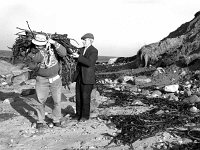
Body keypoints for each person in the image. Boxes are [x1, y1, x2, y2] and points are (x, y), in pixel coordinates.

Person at [28, 34, 67, 129]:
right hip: (41, 79)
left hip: (55, 79)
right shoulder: (32, 52)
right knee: (40, 101)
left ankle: (56, 119)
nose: (38, 46)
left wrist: (53, 42)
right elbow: (31, 64)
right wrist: (38, 53)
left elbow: (64, 53)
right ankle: (40, 120)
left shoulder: (53, 48)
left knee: (57, 101)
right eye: (37, 45)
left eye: (40, 44)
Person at [71, 33, 98, 121]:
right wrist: (75, 56)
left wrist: (78, 57)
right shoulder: (81, 49)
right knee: (78, 97)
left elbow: (90, 63)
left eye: (85, 40)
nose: (83, 41)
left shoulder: (94, 50)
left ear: (91, 41)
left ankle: (85, 116)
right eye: (83, 40)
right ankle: (78, 114)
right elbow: (79, 59)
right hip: (79, 77)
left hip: (88, 78)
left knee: (85, 98)